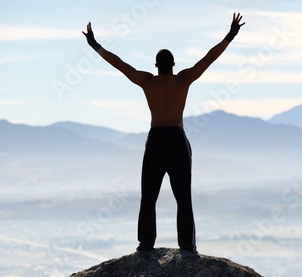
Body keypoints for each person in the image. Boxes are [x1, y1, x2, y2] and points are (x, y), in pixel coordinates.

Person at [83, 13, 245, 253]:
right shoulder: (184, 79)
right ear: (174, 64)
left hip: (157, 139)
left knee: (148, 196)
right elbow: (209, 58)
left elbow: (119, 64)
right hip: (177, 140)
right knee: (183, 198)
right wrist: (230, 35)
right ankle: (187, 247)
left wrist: (95, 45)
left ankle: (145, 245)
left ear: (156, 66)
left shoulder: (147, 82)